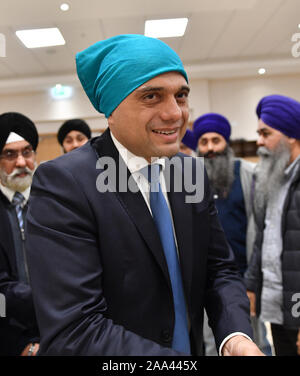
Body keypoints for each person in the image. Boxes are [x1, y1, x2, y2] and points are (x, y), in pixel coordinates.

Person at [25, 34, 263, 356]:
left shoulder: (188, 172)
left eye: (181, 96)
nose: (175, 114)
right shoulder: (66, 184)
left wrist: (235, 336)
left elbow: (218, 269)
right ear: (111, 108)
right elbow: (75, 329)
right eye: (151, 96)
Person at [182, 113, 272, 356]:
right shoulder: (187, 178)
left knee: (254, 340)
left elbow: (262, 231)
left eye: (216, 140)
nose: (210, 148)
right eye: (204, 142)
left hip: (244, 278)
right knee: (212, 346)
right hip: (204, 281)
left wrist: (253, 284)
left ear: (227, 143)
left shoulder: (249, 175)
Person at [245, 94, 300, 356]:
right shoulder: (273, 179)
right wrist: (252, 285)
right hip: (278, 307)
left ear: (291, 134)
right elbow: (263, 240)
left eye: (266, 133)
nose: (259, 142)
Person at [0, 112, 40, 356]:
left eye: (27, 152)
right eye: (9, 154)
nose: (22, 163)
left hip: (61, 331)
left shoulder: (55, 204)